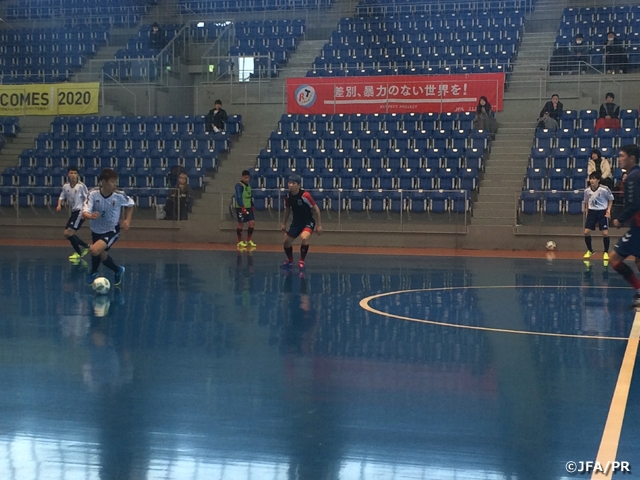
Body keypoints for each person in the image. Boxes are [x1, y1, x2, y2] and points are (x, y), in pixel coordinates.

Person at [82, 169, 135, 286]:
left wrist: (127, 220)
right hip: (96, 230)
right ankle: (117, 270)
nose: (115, 184)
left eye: (116, 182)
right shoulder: (93, 194)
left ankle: (93, 272)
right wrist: (90, 216)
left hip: (111, 230)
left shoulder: (119, 195)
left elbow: (130, 205)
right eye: (112, 182)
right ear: (104, 182)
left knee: (94, 250)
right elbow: (84, 212)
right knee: (102, 254)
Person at [609, 144, 640, 308]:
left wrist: (620, 219)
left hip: (638, 227)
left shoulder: (633, 177)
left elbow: (635, 204)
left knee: (614, 257)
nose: (619, 159)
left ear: (631, 158)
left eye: (622, 156)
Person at [281, 174, 322, 269]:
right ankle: (290, 260)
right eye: (289, 183)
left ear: (298, 185)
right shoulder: (287, 196)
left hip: (307, 221)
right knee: (286, 242)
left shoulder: (305, 195)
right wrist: (283, 223)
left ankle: (301, 261)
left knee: (304, 237)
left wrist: (319, 225)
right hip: (296, 222)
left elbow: (316, 209)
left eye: (293, 183)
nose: (291, 185)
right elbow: (287, 209)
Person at [56, 166, 90, 262]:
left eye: (75, 173)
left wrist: (86, 211)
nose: (73, 175)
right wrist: (59, 205)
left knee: (69, 233)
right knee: (66, 234)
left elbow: (88, 198)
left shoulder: (81, 186)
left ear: (77, 175)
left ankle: (79, 253)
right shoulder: (66, 186)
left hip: (80, 211)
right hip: (74, 211)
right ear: (68, 174)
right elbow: (61, 197)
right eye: (71, 173)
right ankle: (86, 246)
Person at [583, 172, 614, 263]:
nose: (592, 180)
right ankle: (590, 250)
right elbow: (586, 202)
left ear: (598, 180)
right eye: (590, 179)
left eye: (594, 179)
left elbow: (611, 200)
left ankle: (605, 252)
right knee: (586, 232)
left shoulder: (604, 189)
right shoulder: (587, 191)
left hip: (602, 211)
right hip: (592, 212)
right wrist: (587, 212)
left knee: (605, 233)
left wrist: (608, 211)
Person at [234, 169, 256, 249]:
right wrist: (242, 206)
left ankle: (248, 240)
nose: (246, 179)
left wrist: (252, 206)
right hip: (241, 207)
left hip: (249, 207)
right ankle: (240, 241)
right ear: (242, 177)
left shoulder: (249, 186)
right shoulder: (239, 186)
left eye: (248, 178)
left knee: (252, 223)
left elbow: (250, 197)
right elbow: (238, 196)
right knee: (241, 223)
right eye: (245, 177)